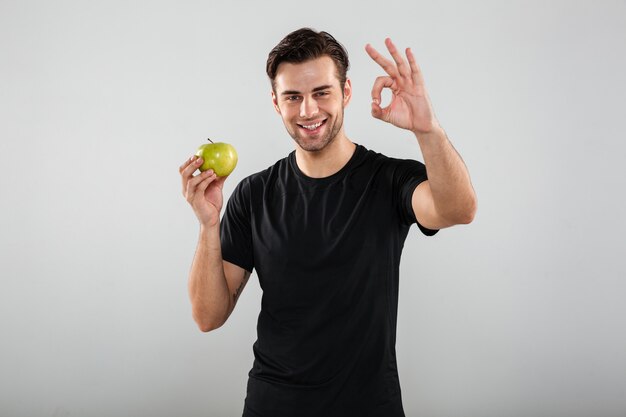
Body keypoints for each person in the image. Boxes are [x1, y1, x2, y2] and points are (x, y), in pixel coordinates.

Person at [179, 28, 476, 417]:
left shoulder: (389, 180)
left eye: (321, 92)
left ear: (346, 92)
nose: (308, 111)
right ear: (275, 103)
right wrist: (207, 224)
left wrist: (428, 129)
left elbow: (458, 210)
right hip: (274, 405)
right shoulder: (254, 194)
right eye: (293, 97)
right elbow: (207, 316)